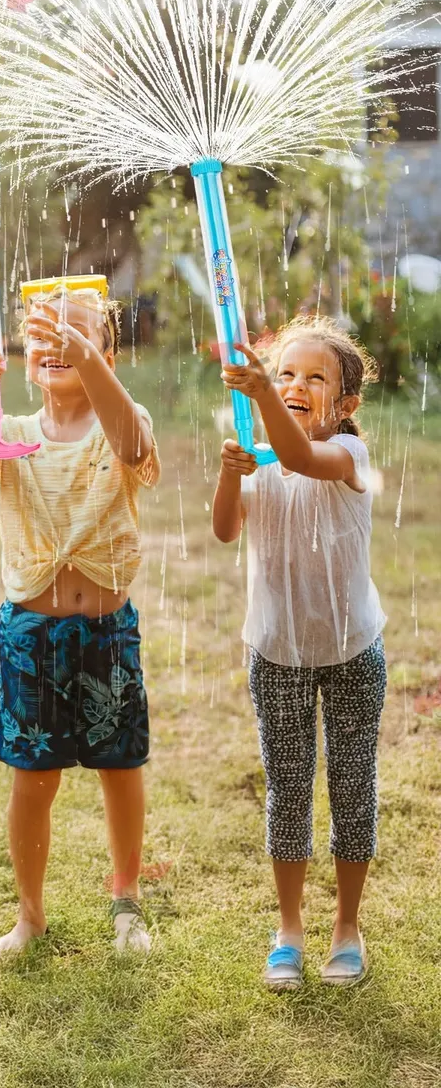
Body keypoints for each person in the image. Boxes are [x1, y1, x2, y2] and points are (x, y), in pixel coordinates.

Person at [0, 275, 159, 959]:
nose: (56, 341)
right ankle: (29, 915)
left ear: (108, 358)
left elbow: (131, 447)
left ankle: (126, 901)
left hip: (105, 632)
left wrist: (86, 358)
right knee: (33, 779)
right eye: (42, 333)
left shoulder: (124, 419)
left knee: (121, 770)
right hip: (30, 633)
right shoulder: (11, 435)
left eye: (77, 330)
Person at [212, 315, 385, 991]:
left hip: (351, 651)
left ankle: (347, 925)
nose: (295, 384)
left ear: (345, 405)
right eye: (285, 373)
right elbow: (226, 530)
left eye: (316, 378)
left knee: (351, 789)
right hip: (277, 652)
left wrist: (258, 397)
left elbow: (303, 460)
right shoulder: (260, 456)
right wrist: (231, 472)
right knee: (288, 793)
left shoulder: (348, 458)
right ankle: (288, 929)